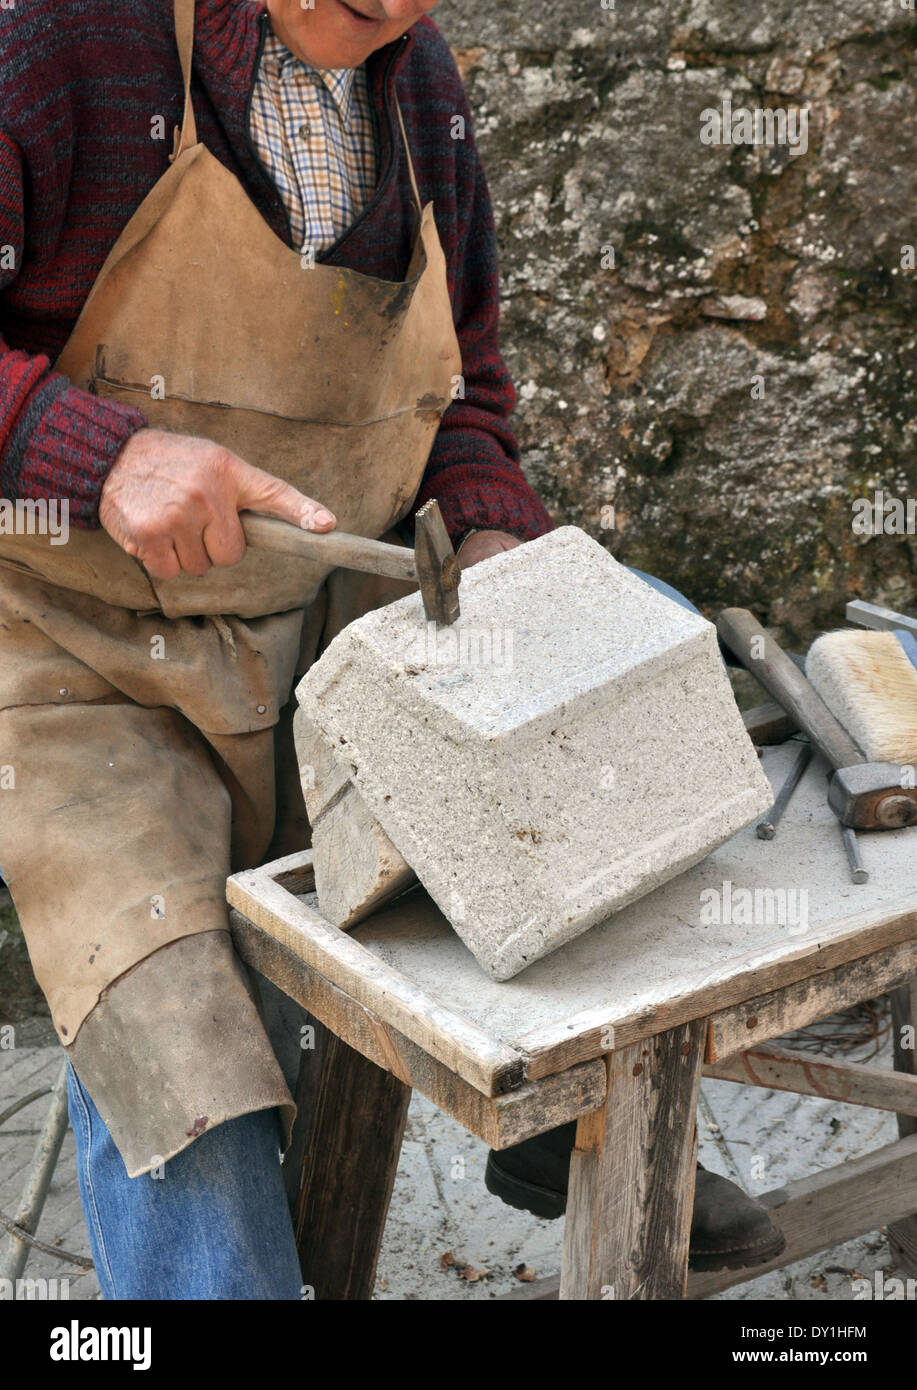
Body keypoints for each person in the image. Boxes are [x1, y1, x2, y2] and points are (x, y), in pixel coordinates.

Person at [0, 0, 783, 1297]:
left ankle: (567, 1112)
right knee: (173, 1028)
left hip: (329, 616)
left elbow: (461, 386)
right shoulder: (76, 42)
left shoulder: (418, 91)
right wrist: (100, 454)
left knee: (607, 699)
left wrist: (486, 540)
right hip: (81, 652)